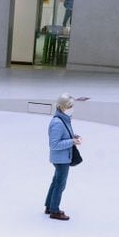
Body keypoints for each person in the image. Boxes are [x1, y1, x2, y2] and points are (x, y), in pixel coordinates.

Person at [45, 93, 81, 221]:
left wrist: (73, 136)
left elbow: (62, 136)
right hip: (61, 159)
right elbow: (54, 144)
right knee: (60, 184)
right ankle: (54, 210)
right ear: (62, 107)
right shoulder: (58, 122)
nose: (72, 108)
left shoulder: (63, 119)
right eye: (69, 106)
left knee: (56, 182)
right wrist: (72, 142)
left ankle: (49, 206)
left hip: (62, 157)